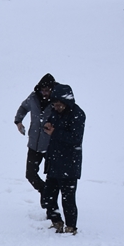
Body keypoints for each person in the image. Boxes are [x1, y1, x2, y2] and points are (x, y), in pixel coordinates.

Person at [42, 82, 85, 234]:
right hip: (54, 161)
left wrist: (54, 132)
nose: (57, 107)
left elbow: (75, 138)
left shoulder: (78, 114)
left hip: (69, 163)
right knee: (48, 197)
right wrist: (47, 126)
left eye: (60, 105)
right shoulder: (54, 112)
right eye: (55, 105)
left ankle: (71, 226)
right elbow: (51, 128)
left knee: (68, 199)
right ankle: (57, 222)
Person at [14, 73, 55, 210]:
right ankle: (44, 191)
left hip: (51, 146)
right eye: (43, 90)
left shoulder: (57, 101)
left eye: (48, 90)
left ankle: (50, 205)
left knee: (52, 177)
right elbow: (23, 107)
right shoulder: (33, 97)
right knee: (30, 174)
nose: (45, 93)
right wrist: (19, 121)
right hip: (34, 144)